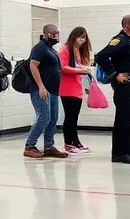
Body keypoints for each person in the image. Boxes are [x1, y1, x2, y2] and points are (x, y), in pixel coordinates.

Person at [96, 14, 130, 165]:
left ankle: (128, 149)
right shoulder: (120, 40)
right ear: (127, 26)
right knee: (123, 119)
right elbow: (101, 56)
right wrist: (115, 75)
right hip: (124, 87)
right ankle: (119, 153)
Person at [25, 24, 67, 159]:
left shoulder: (50, 49)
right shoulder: (40, 48)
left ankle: (49, 146)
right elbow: (33, 65)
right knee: (44, 117)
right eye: (56, 34)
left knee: (53, 118)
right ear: (48, 34)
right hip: (41, 89)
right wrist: (41, 86)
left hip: (53, 90)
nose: (58, 36)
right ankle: (30, 145)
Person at [58, 27, 94, 155]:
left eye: (84, 37)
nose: (82, 40)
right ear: (74, 36)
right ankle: (68, 144)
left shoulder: (78, 51)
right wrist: (82, 70)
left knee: (74, 117)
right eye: (80, 36)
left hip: (77, 87)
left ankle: (76, 142)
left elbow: (81, 66)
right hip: (67, 88)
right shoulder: (65, 50)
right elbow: (63, 68)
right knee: (70, 117)